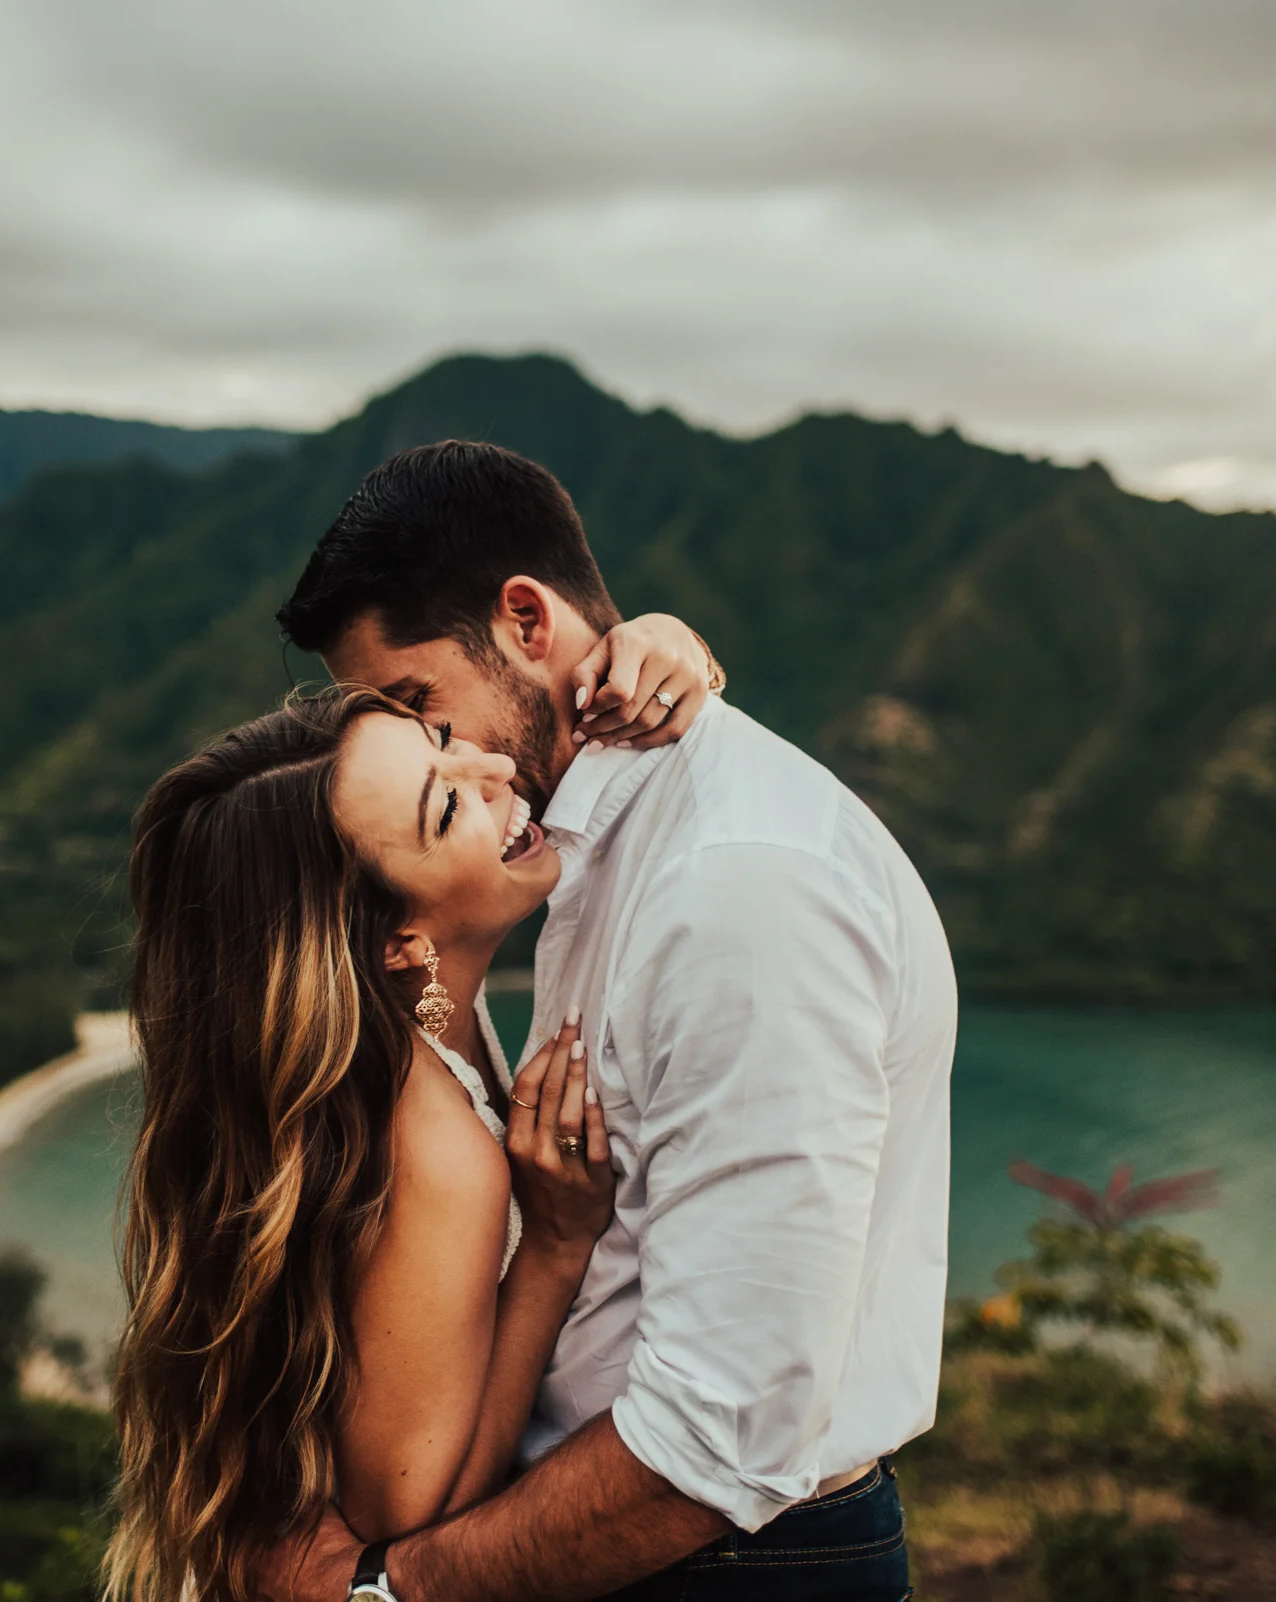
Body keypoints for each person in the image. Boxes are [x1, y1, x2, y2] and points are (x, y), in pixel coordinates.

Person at [259, 441, 959, 1602]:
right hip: (590, 1531)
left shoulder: (741, 889)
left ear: (526, 620)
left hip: (704, 1559)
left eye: (425, 710)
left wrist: (380, 1594)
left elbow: (724, 1439)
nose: (459, 758)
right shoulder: (576, 840)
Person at [106, 639, 719, 1599]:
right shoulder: (431, 1143)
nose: (497, 768)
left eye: (441, 739)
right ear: (397, 943)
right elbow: (408, 1517)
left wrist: (663, 642)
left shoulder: (408, 1028)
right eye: (446, 806)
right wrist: (556, 1249)